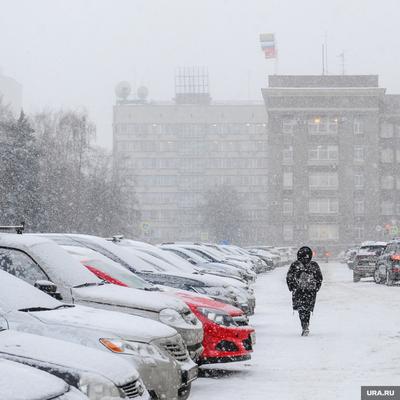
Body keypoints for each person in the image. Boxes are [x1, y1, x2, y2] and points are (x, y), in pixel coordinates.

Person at [286, 246, 323, 336]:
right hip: (310, 292)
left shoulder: (295, 265)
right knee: (307, 309)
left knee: (301, 309)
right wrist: (316, 289)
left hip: (298, 291)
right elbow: (319, 278)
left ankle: (304, 325)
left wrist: (292, 287)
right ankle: (306, 325)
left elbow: (289, 277)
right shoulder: (314, 265)